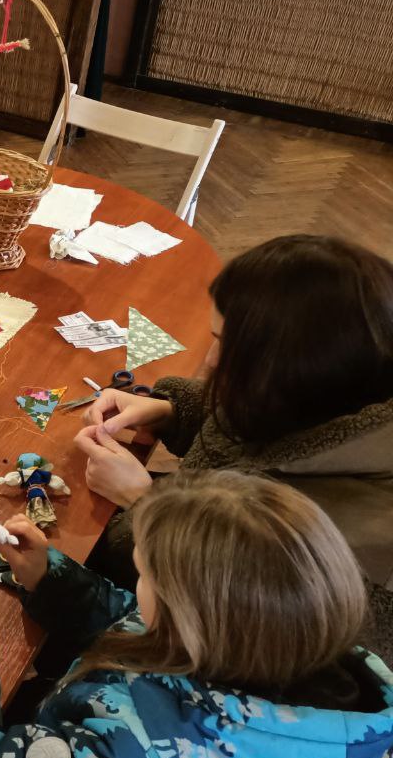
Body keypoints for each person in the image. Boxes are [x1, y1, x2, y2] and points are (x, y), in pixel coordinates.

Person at [0, 472, 393, 758]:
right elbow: (141, 630)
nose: (137, 586)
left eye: (143, 575)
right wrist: (50, 578)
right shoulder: (288, 640)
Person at [73, 235, 393, 655]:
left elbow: (225, 611)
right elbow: (263, 436)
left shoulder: (352, 540)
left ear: (292, 369)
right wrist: (170, 410)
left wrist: (146, 505)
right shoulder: (339, 395)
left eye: (227, 346)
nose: (209, 360)